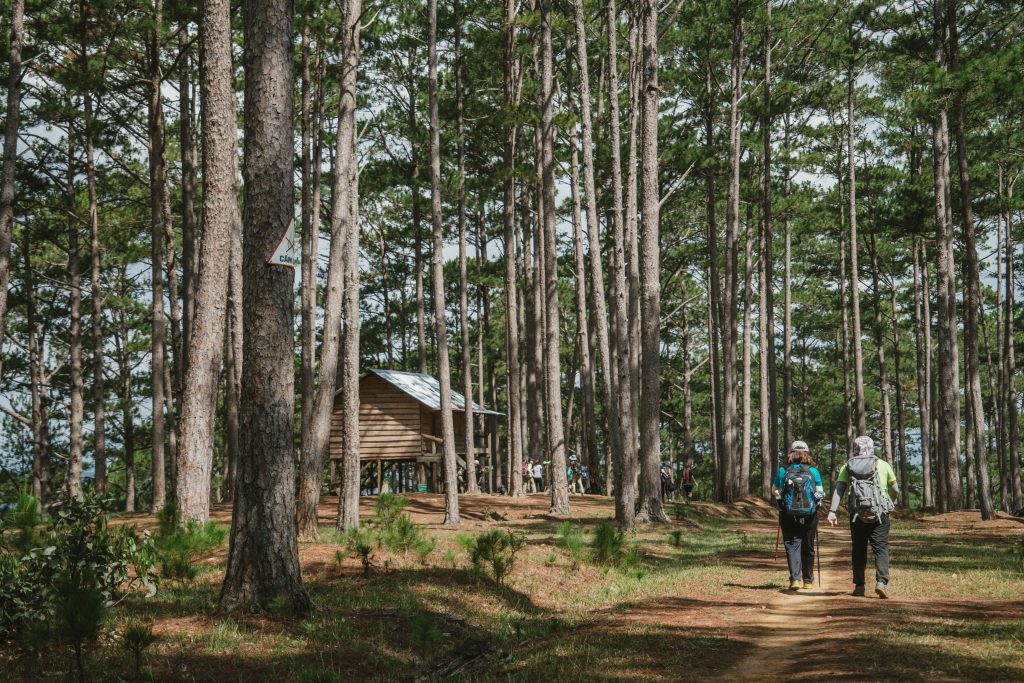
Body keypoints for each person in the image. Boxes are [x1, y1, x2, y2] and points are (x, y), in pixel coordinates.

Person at [828, 435, 899, 599]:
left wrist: (832, 511)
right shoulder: (882, 464)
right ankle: (881, 582)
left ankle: (859, 586)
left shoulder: (848, 466)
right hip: (880, 513)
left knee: (858, 549)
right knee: (880, 547)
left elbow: (839, 489)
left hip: (857, 514)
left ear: (855, 448)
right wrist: (891, 502)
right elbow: (895, 489)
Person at [773, 441, 825, 591]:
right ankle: (808, 580)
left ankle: (795, 579)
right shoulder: (813, 471)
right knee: (808, 545)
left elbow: (775, 490)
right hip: (810, 514)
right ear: (807, 453)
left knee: (791, 545)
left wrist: (781, 502)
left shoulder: (783, 470)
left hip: (787, 513)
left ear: (791, 453)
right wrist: (816, 505)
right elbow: (820, 493)